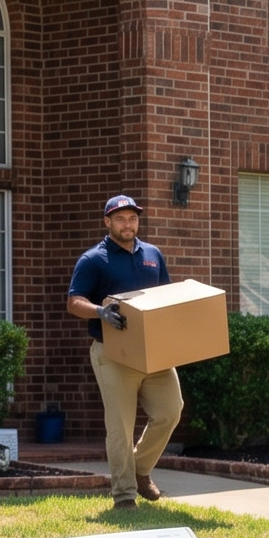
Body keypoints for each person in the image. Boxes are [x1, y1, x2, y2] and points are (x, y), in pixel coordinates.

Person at [67, 194, 183, 510]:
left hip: (153, 351)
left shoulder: (152, 255)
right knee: (120, 426)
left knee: (170, 411)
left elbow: (166, 298)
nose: (127, 224)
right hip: (113, 353)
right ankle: (124, 495)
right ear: (107, 222)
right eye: (120, 219)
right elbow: (73, 302)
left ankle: (140, 469)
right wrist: (99, 312)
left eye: (132, 218)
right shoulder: (93, 259)